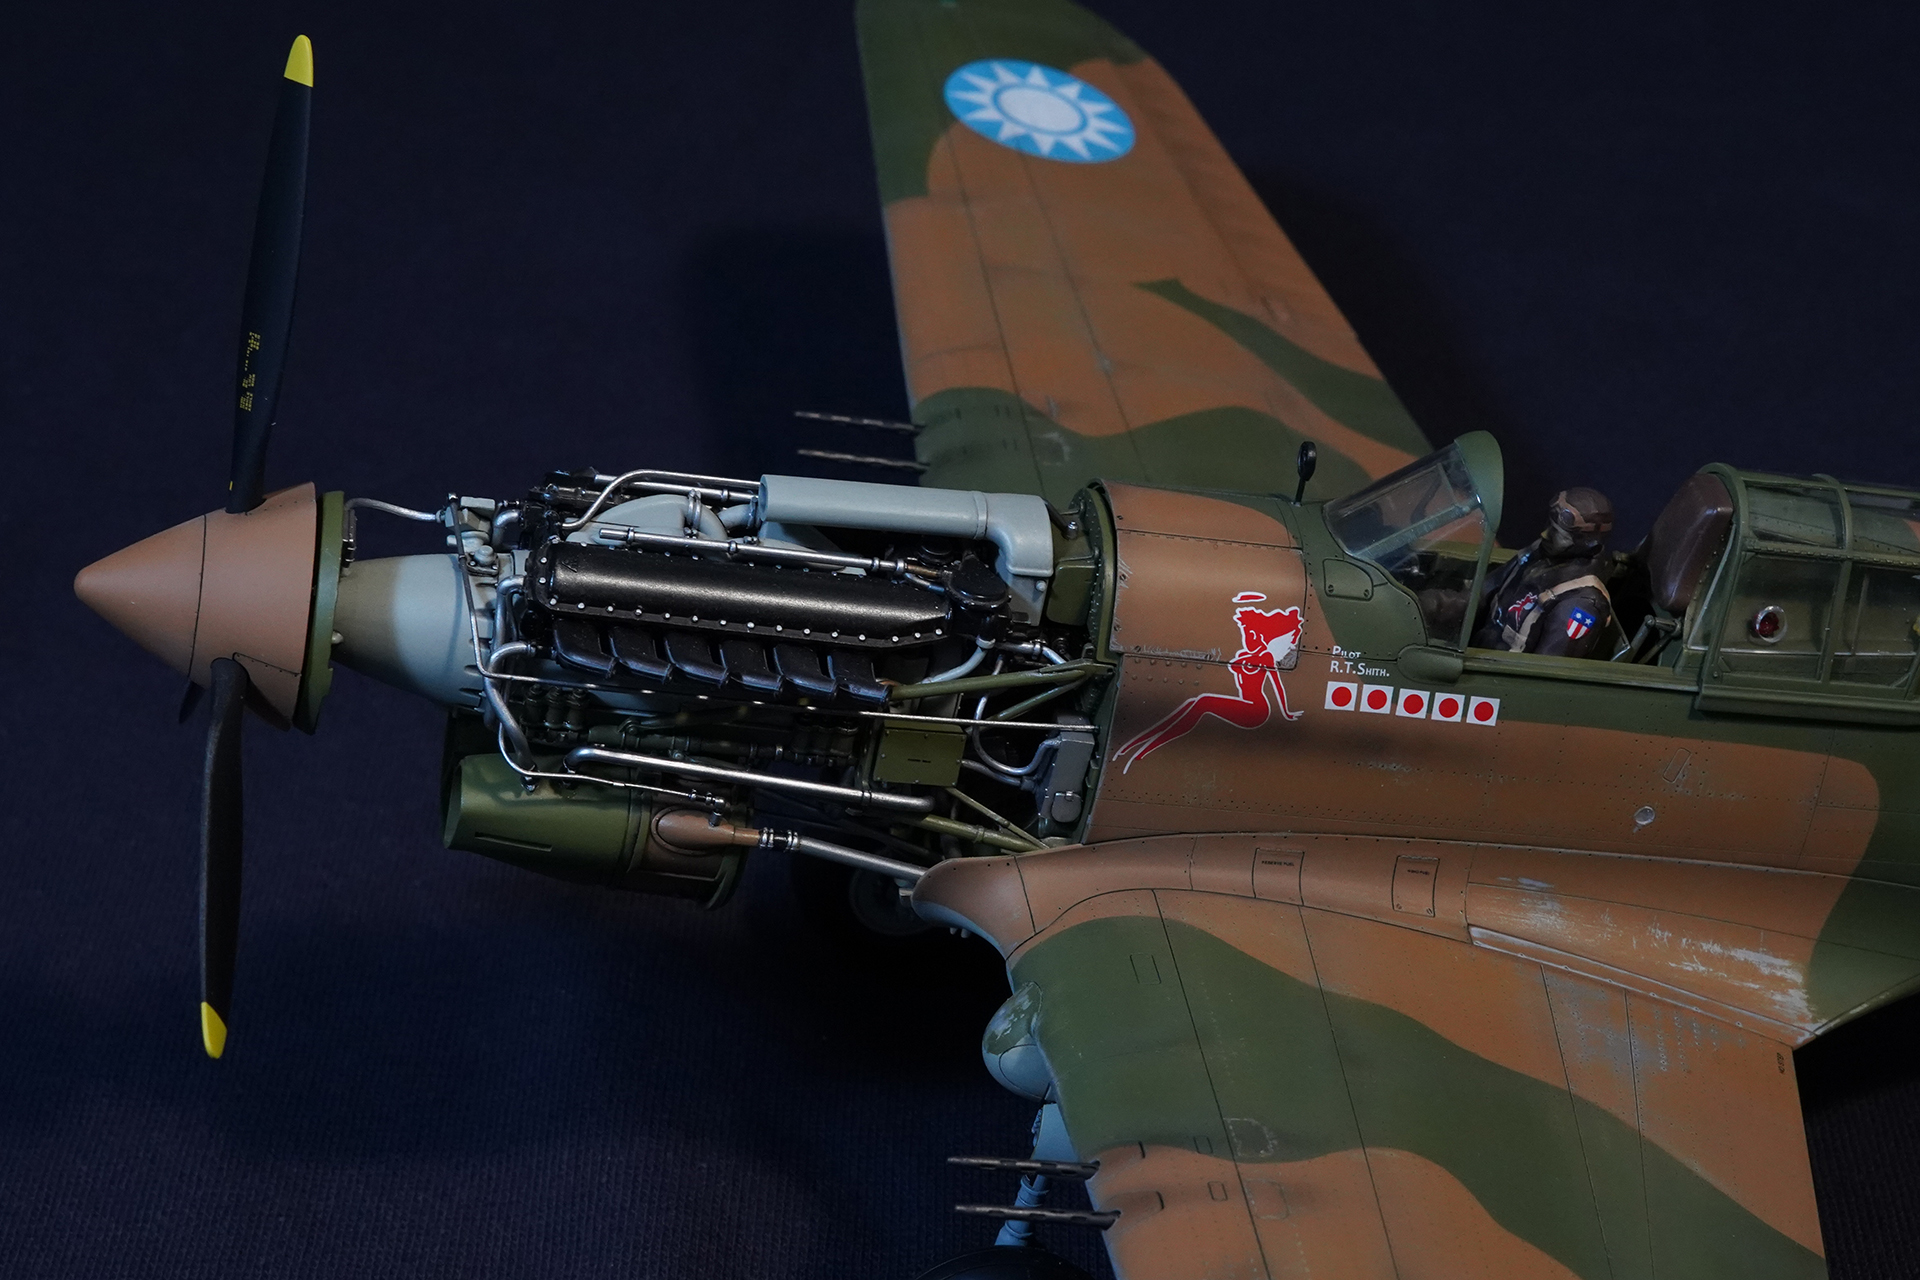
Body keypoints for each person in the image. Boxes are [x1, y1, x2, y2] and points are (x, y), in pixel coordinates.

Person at [1473, 488, 1615, 658]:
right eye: (1549, 525)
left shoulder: (1581, 605)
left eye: (1558, 534)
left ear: (1587, 543)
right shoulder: (1541, 553)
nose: (1544, 534)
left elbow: (1548, 668)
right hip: (1483, 644)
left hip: (1500, 668)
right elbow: (1481, 594)